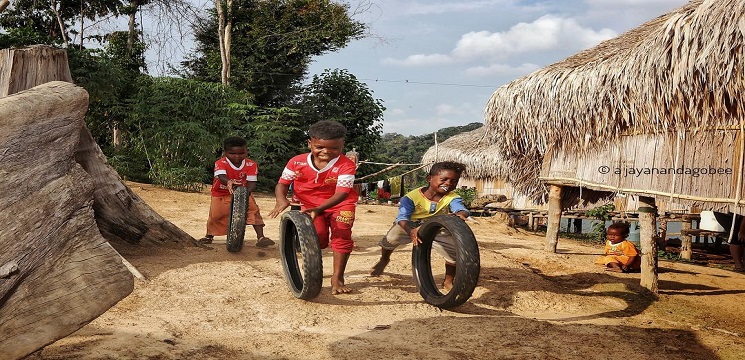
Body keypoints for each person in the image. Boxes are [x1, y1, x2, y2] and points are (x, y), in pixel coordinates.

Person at [268, 120, 358, 295]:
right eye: (320, 147)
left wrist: (320, 209)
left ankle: (337, 278)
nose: (327, 152)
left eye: (334, 148)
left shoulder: (346, 165)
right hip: (309, 205)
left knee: (342, 234)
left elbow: (342, 194)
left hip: (340, 203)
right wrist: (281, 199)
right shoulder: (296, 162)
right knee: (319, 238)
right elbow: (282, 184)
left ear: (342, 145)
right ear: (310, 143)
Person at [369, 161, 470, 291]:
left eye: (454, 181)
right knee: (391, 238)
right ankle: (384, 259)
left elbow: (461, 209)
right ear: (429, 178)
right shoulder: (411, 197)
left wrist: (461, 214)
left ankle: (448, 281)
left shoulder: (452, 197)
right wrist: (410, 231)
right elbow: (402, 217)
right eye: (443, 179)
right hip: (410, 225)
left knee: (454, 252)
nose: (448, 184)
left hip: (436, 227)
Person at [199, 136, 274, 248]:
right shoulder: (221, 163)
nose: (237, 156)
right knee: (216, 215)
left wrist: (245, 193)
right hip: (221, 192)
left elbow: (252, 183)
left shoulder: (251, 164)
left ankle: (261, 237)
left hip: (242, 192)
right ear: (224, 152)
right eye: (232, 154)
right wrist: (229, 182)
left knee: (253, 211)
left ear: (246, 151)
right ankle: (209, 236)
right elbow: (221, 177)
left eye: (241, 153)